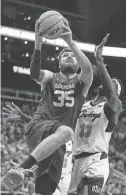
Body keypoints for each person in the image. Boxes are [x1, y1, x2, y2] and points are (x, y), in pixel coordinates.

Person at [3, 17, 93, 195]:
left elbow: (89, 69)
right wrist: (38, 43)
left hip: (56, 143)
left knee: (44, 191)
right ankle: (23, 167)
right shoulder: (51, 77)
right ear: (59, 63)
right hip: (41, 127)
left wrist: (70, 42)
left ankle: (25, 173)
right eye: (65, 55)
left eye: (72, 56)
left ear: (77, 64)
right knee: (67, 132)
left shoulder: (82, 83)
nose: (69, 56)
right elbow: (35, 74)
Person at [67, 34, 123, 195]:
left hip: (96, 161)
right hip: (76, 162)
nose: (108, 82)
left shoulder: (112, 107)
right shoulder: (84, 105)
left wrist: (99, 60)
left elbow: (111, 95)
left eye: (113, 84)